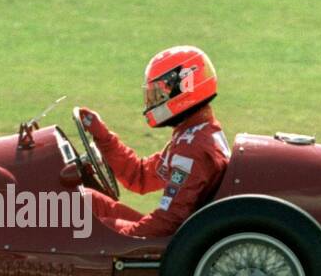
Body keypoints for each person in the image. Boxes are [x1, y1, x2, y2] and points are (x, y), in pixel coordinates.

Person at [78, 46, 230, 238]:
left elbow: (168, 223)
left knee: (86, 225)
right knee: (84, 201)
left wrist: (111, 231)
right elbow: (140, 176)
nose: (152, 102)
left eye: (158, 94)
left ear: (184, 89)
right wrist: (104, 137)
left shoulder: (192, 149)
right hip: (175, 232)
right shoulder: (197, 132)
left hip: (171, 242)